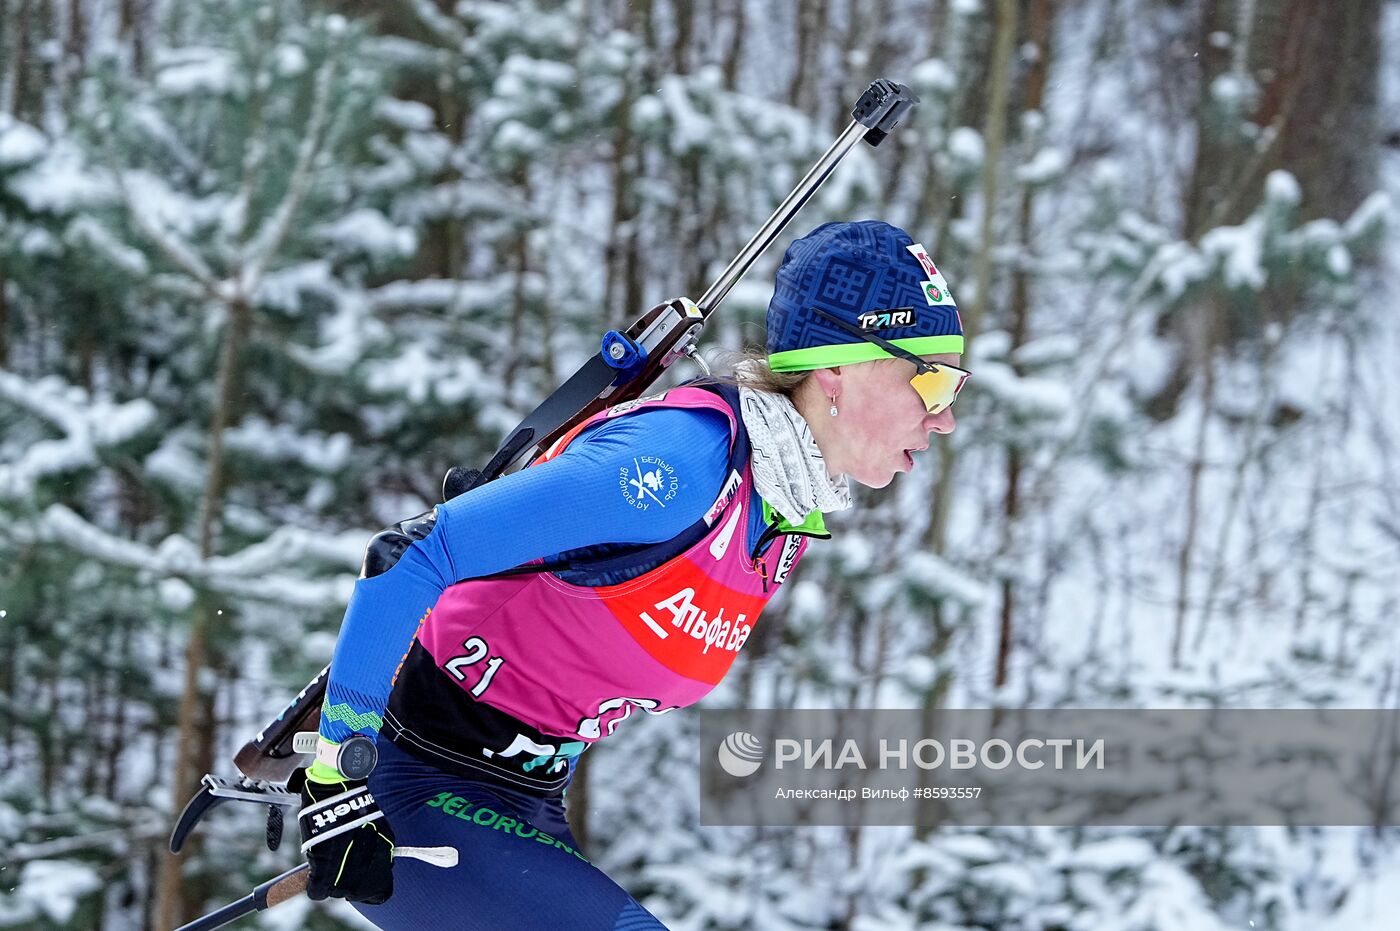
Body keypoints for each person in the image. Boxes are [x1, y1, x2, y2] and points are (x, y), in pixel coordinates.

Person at [292, 220, 970, 929]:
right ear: (839, 367)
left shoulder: (777, 511)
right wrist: (337, 781)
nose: (946, 416)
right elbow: (412, 554)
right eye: (932, 377)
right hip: (415, 787)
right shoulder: (680, 465)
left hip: (525, 808)